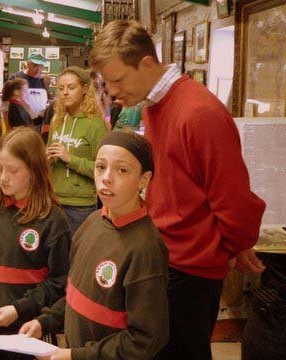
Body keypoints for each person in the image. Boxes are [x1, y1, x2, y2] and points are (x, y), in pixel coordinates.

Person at [90, 20, 266, 360]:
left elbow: (233, 200)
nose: (112, 91)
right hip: (165, 257)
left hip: (188, 270)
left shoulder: (199, 112)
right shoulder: (155, 104)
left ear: (146, 64)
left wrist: (232, 245)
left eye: (118, 79)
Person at [20, 130, 169, 360]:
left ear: (144, 179)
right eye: (100, 167)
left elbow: (145, 340)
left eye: (122, 170)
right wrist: (45, 321)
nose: (107, 178)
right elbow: (76, 295)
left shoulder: (145, 248)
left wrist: (76, 355)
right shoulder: (92, 222)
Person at [0, 127, 71, 360]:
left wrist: (19, 309)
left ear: (34, 169)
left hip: (26, 328)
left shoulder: (52, 220)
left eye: (12, 170)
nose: (3, 177)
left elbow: (58, 282)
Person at [46, 66, 109, 234]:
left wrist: (70, 159)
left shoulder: (95, 124)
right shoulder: (57, 121)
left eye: (71, 87)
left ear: (85, 89)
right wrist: (46, 159)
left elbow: (103, 169)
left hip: (80, 206)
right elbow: (48, 156)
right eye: (61, 88)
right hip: (53, 200)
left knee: (76, 255)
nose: (65, 92)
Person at [11, 53, 50, 122]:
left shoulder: (43, 81)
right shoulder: (16, 78)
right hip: (20, 123)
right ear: (28, 64)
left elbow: (48, 100)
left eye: (41, 66)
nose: (38, 69)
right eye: (35, 65)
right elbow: (7, 101)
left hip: (40, 123)